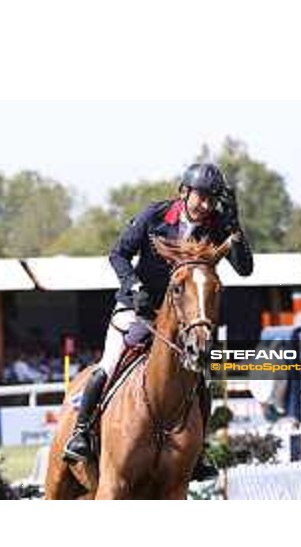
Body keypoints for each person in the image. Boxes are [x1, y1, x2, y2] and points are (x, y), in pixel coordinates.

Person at [64, 163, 254, 479]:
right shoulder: (155, 216)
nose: (206, 206)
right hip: (138, 308)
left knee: (201, 379)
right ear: (184, 192)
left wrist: (235, 227)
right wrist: (134, 286)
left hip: (183, 321)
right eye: (201, 197)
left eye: (212, 199)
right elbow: (118, 254)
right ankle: (81, 433)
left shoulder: (217, 224)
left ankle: (198, 453)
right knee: (109, 364)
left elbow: (245, 269)